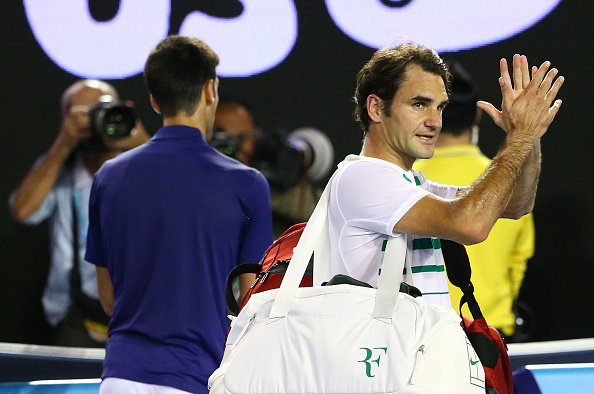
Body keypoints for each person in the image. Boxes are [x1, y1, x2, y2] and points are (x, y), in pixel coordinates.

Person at [85, 35, 274, 393]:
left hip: (120, 377)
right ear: (210, 90)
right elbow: (252, 302)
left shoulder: (107, 177)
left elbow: (109, 299)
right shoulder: (247, 184)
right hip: (197, 377)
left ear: (155, 101)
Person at [328, 43, 563, 311]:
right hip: (384, 352)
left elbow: (514, 205)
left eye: (440, 107)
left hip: (417, 349)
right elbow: (470, 225)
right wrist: (520, 135)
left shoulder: (411, 184)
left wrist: (527, 136)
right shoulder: (362, 178)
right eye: (419, 104)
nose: (435, 121)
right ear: (376, 108)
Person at [8, 79, 150, 347]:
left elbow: (185, 199)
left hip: (138, 314)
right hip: (72, 316)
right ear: (67, 119)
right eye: (85, 113)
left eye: (105, 111)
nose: (96, 121)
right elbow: (23, 211)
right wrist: (63, 144)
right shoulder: (58, 169)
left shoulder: (143, 166)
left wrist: (144, 143)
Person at [413, 63, 535, 339]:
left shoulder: (404, 180)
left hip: (428, 342)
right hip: (495, 340)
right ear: (478, 114)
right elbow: (518, 262)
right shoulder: (511, 181)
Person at [214, 99, 333, 238]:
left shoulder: (270, 186)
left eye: (242, 138)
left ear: (257, 138)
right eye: (223, 140)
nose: (235, 149)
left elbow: (330, 216)